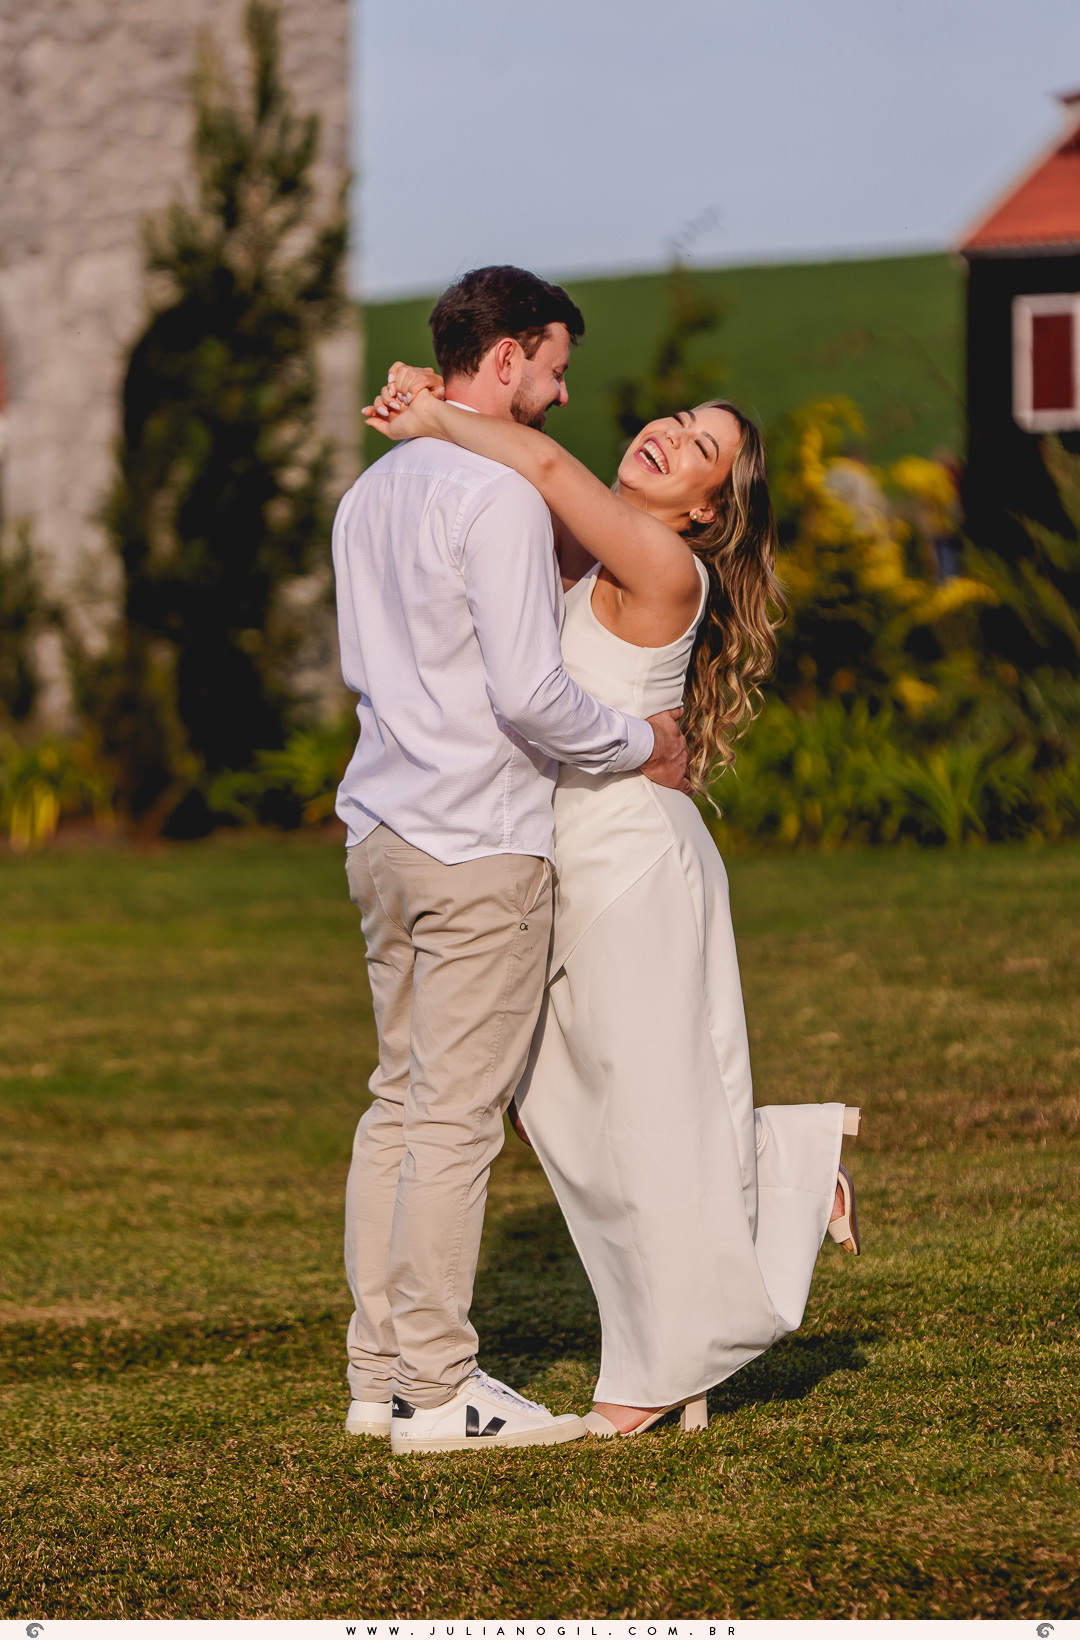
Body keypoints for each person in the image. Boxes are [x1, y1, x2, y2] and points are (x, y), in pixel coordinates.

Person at [364, 361, 863, 1439]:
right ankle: (791, 1175)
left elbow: (539, 457)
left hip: (634, 864)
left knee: (639, 1118)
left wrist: (435, 413)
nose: (667, 438)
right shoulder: (589, 556)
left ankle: (659, 1361)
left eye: (699, 449)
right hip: (568, 856)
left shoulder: (662, 560)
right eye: (677, 421)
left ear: (705, 508)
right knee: (571, 1113)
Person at [333, 266, 690, 1456]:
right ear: (503, 362)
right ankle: (438, 1391)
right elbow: (530, 692)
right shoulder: (492, 496)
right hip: (477, 841)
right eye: (551, 365)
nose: (561, 387)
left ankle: (376, 1372)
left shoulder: (369, 493)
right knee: (453, 1120)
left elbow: (363, 671)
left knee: (395, 1103)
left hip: (379, 831)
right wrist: (643, 741)